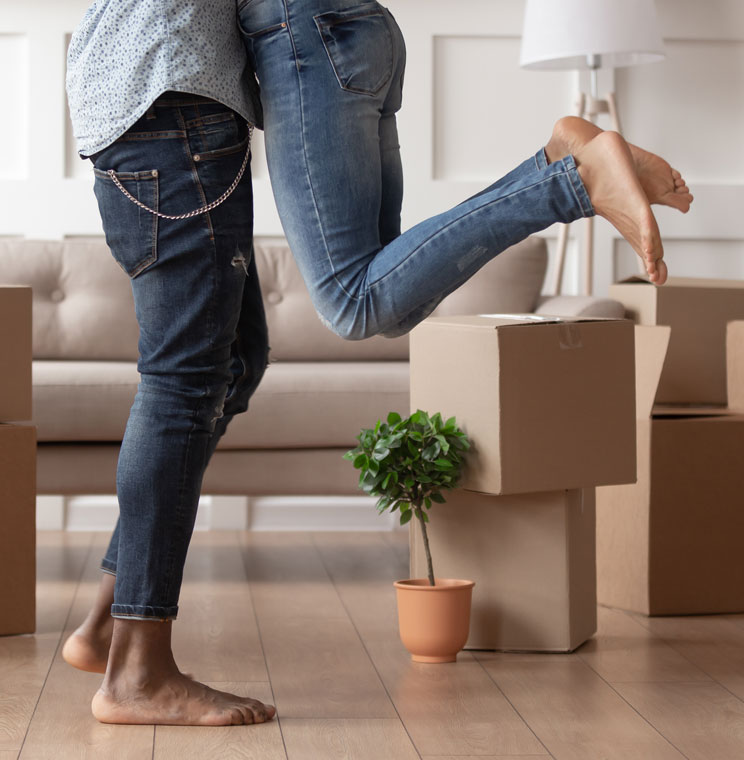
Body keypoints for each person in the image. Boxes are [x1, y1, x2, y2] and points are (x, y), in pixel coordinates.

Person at [63, 0, 692, 728]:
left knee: (219, 364)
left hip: (175, 86)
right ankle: (123, 640)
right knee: (224, 364)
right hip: (183, 85)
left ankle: (129, 648)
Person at [63, 0, 278, 726]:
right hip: (171, 103)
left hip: (156, 100)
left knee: (236, 360)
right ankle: (137, 676)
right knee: (183, 384)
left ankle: (106, 627)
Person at [236, 0, 692, 340]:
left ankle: (577, 181)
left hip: (298, 37)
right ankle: (558, 161)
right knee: (395, 309)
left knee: (351, 303)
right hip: (351, 28)